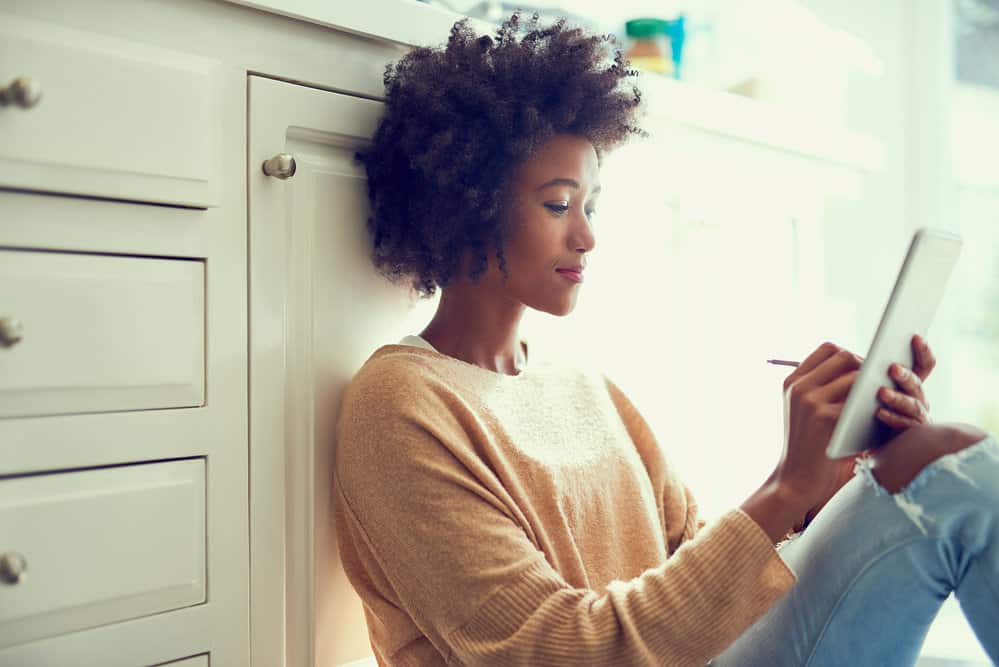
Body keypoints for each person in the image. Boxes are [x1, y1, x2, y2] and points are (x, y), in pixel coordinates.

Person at [333, 10, 999, 666]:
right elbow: (550, 651)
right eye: (558, 204)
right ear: (465, 203)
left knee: (940, 467)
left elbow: (695, 575)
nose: (587, 236)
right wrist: (782, 486)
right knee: (950, 472)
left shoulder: (583, 386)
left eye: (591, 206)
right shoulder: (399, 403)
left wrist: (820, 485)